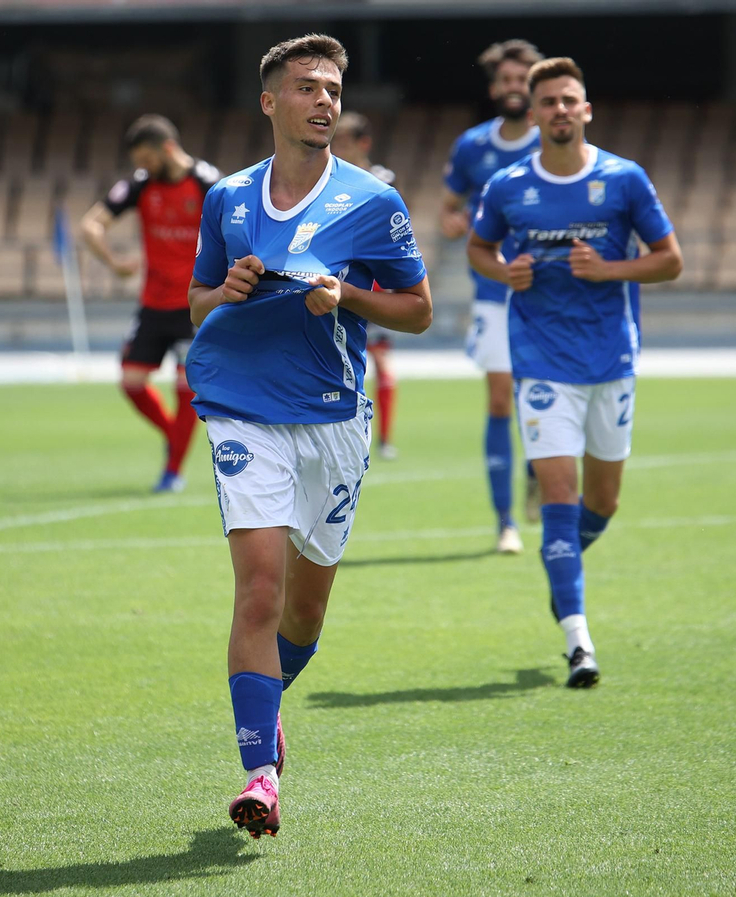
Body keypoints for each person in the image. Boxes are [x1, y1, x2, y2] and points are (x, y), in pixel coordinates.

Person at [185, 34, 432, 838]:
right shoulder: (225, 198)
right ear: (270, 102)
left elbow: (419, 310)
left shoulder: (372, 202)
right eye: (307, 87)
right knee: (258, 588)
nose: (324, 99)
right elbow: (194, 303)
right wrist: (224, 289)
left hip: (331, 417)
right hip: (241, 406)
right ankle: (261, 773)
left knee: (304, 613)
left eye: (332, 87)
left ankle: (272, 702)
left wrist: (346, 296)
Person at [467, 57, 681, 688]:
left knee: (603, 503)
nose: (560, 110)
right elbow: (479, 248)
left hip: (611, 358)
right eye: (549, 102)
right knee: (558, 496)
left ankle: (560, 563)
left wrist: (609, 269)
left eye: (570, 100)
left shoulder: (624, 180)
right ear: (533, 115)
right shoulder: (508, 187)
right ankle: (579, 642)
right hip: (541, 361)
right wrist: (504, 270)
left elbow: (670, 261)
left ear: (586, 110)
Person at [440, 39, 543, 554]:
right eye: (504, 80)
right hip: (493, 290)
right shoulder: (472, 146)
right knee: (501, 396)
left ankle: (538, 479)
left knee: (540, 399)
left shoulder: (555, 143)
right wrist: (454, 221)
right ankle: (506, 521)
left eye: (522, 80)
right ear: (493, 88)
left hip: (549, 293)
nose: (512, 88)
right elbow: (449, 207)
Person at [80, 115, 220, 492]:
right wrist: (113, 263)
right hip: (153, 303)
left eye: (146, 158)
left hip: (196, 304)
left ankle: (172, 472)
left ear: (168, 148)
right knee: (131, 382)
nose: (141, 167)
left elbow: (241, 228)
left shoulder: (209, 183)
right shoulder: (141, 186)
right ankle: (175, 437)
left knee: (186, 389)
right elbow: (90, 225)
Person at [330, 110, 400, 459]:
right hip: (338, 284)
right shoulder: (330, 179)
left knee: (380, 360)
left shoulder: (381, 182)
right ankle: (341, 424)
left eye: (343, 139)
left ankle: (385, 438)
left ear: (363, 143)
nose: (337, 145)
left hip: (372, 286)